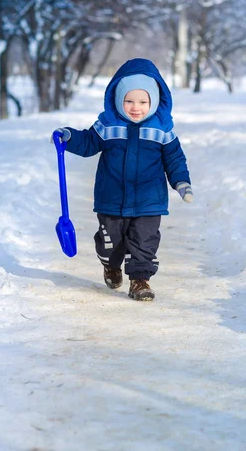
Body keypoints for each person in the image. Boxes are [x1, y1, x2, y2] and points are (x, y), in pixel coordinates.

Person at [53, 58, 192, 301]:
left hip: (149, 200)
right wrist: (69, 137)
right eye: (129, 100)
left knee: (144, 241)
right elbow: (88, 143)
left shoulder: (162, 128)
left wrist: (181, 182)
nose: (135, 107)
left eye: (143, 101)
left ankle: (140, 281)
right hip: (112, 198)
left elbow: (174, 158)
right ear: (118, 99)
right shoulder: (107, 124)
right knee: (110, 244)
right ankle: (111, 265)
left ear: (154, 101)